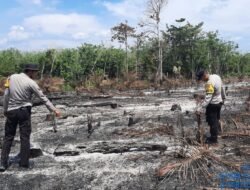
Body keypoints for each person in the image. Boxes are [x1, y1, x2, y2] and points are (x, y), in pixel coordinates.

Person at [0, 64, 61, 172]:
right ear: (31, 72)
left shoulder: (11, 78)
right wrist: (53, 109)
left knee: (8, 137)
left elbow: (6, 95)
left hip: (11, 111)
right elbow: (43, 98)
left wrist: (5, 110)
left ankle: (3, 163)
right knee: (25, 137)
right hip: (24, 112)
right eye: (36, 72)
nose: (36, 74)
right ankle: (24, 164)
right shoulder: (31, 83)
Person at [195, 69, 225, 144]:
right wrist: (223, 98)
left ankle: (213, 139)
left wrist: (200, 107)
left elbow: (208, 98)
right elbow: (222, 88)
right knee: (217, 119)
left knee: (212, 122)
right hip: (219, 102)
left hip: (213, 104)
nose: (201, 80)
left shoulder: (209, 83)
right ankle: (217, 134)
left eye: (201, 78)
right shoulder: (216, 76)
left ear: (204, 75)